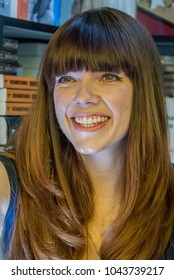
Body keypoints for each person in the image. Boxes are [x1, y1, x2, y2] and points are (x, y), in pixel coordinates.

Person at [0, 7, 174, 260]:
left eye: (108, 76)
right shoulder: (10, 182)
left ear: (143, 90)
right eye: (67, 79)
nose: (83, 97)